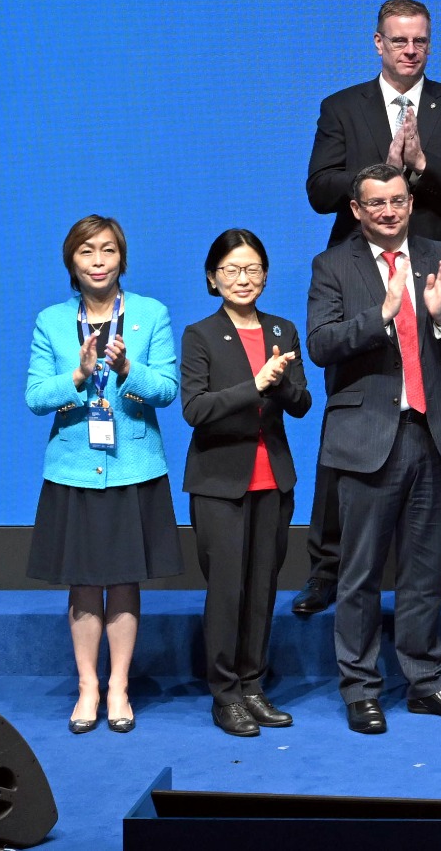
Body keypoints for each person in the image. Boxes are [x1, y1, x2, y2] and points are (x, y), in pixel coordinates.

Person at [297, 0, 441, 617]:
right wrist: (378, 172)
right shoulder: (343, 107)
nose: (411, 51)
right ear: (377, 44)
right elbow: (317, 189)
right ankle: (328, 565)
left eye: (421, 42)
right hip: (362, 278)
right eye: (399, 41)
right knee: (353, 416)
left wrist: (424, 166)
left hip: (436, 273)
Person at [307, 164, 441, 733]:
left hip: (431, 434)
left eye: (397, 200)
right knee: (359, 573)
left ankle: (425, 681)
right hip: (367, 440)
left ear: (410, 202)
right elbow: (319, 344)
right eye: (375, 203)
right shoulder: (333, 264)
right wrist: (379, 316)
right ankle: (361, 687)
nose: (388, 211)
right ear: (357, 211)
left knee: (425, 571)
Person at [24, 215, 181, 737]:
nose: (97, 261)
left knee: (124, 579)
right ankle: (87, 686)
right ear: (72, 260)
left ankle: (119, 686)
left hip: (133, 466)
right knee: (84, 581)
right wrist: (78, 375)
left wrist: (127, 369)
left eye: (107, 251)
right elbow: (34, 398)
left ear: (122, 259)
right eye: (86, 251)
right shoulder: (50, 321)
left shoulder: (150, 314)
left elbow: (167, 390)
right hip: (73, 469)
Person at [180, 229, 310, 738]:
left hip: (273, 479)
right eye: (231, 270)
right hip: (219, 482)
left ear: (266, 275)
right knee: (228, 590)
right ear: (213, 279)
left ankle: (254, 685)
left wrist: (282, 383)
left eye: (253, 269)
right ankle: (225, 693)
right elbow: (196, 409)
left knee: (262, 588)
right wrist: (253, 385)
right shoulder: (200, 335)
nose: (243, 279)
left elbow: (301, 404)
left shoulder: (282, 330)